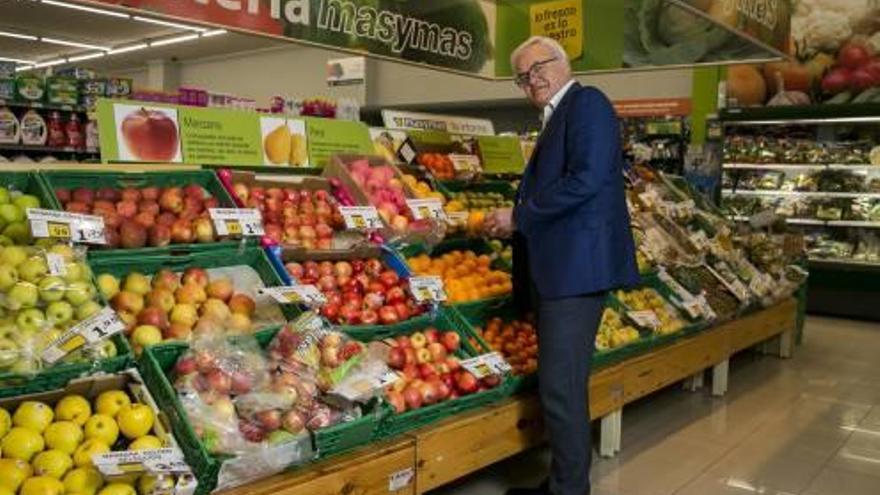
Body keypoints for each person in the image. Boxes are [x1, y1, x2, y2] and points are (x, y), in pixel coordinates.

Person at [484, 36, 640, 495]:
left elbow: (587, 179)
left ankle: (570, 490)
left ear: (563, 63)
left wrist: (520, 215)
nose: (532, 80)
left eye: (538, 68)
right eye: (522, 76)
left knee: (560, 388)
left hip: (576, 270)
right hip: (561, 268)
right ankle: (562, 481)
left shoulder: (586, 102)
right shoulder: (556, 116)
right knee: (561, 386)